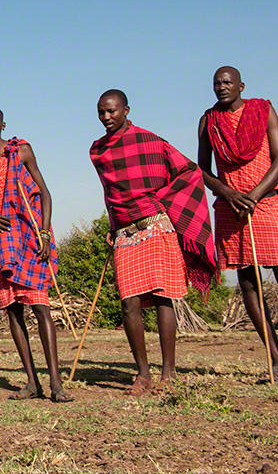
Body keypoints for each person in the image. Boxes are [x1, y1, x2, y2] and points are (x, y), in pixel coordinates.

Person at [92, 89, 215, 395]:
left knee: (162, 299)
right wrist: (113, 223)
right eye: (102, 113)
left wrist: (160, 201)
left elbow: (188, 171)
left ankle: (169, 372)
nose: (107, 117)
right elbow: (110, 193)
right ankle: (143, 373)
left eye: (112, 111)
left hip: (156, 226)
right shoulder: (97, 150)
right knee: (129, 303)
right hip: (125, 233)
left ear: (126, 110)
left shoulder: (150, 141)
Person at [198, 66, 278, 379]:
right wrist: (228, 193)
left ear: (241, 85)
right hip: (230, 208)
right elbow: (201, 170)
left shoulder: (264, 111)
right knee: (248, 282)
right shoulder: (208, 120)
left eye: (227, 82)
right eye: (216, 83)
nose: (221, 87)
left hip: (264, 201)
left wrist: (253, 195)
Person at [0, 105, 70, 402]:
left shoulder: (22, 152)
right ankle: (31, 382)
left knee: (40, 306)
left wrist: (45, 233)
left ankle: (56, 383)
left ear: (3, 124)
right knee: (13, 310)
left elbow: (45, 192)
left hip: (27, 235)